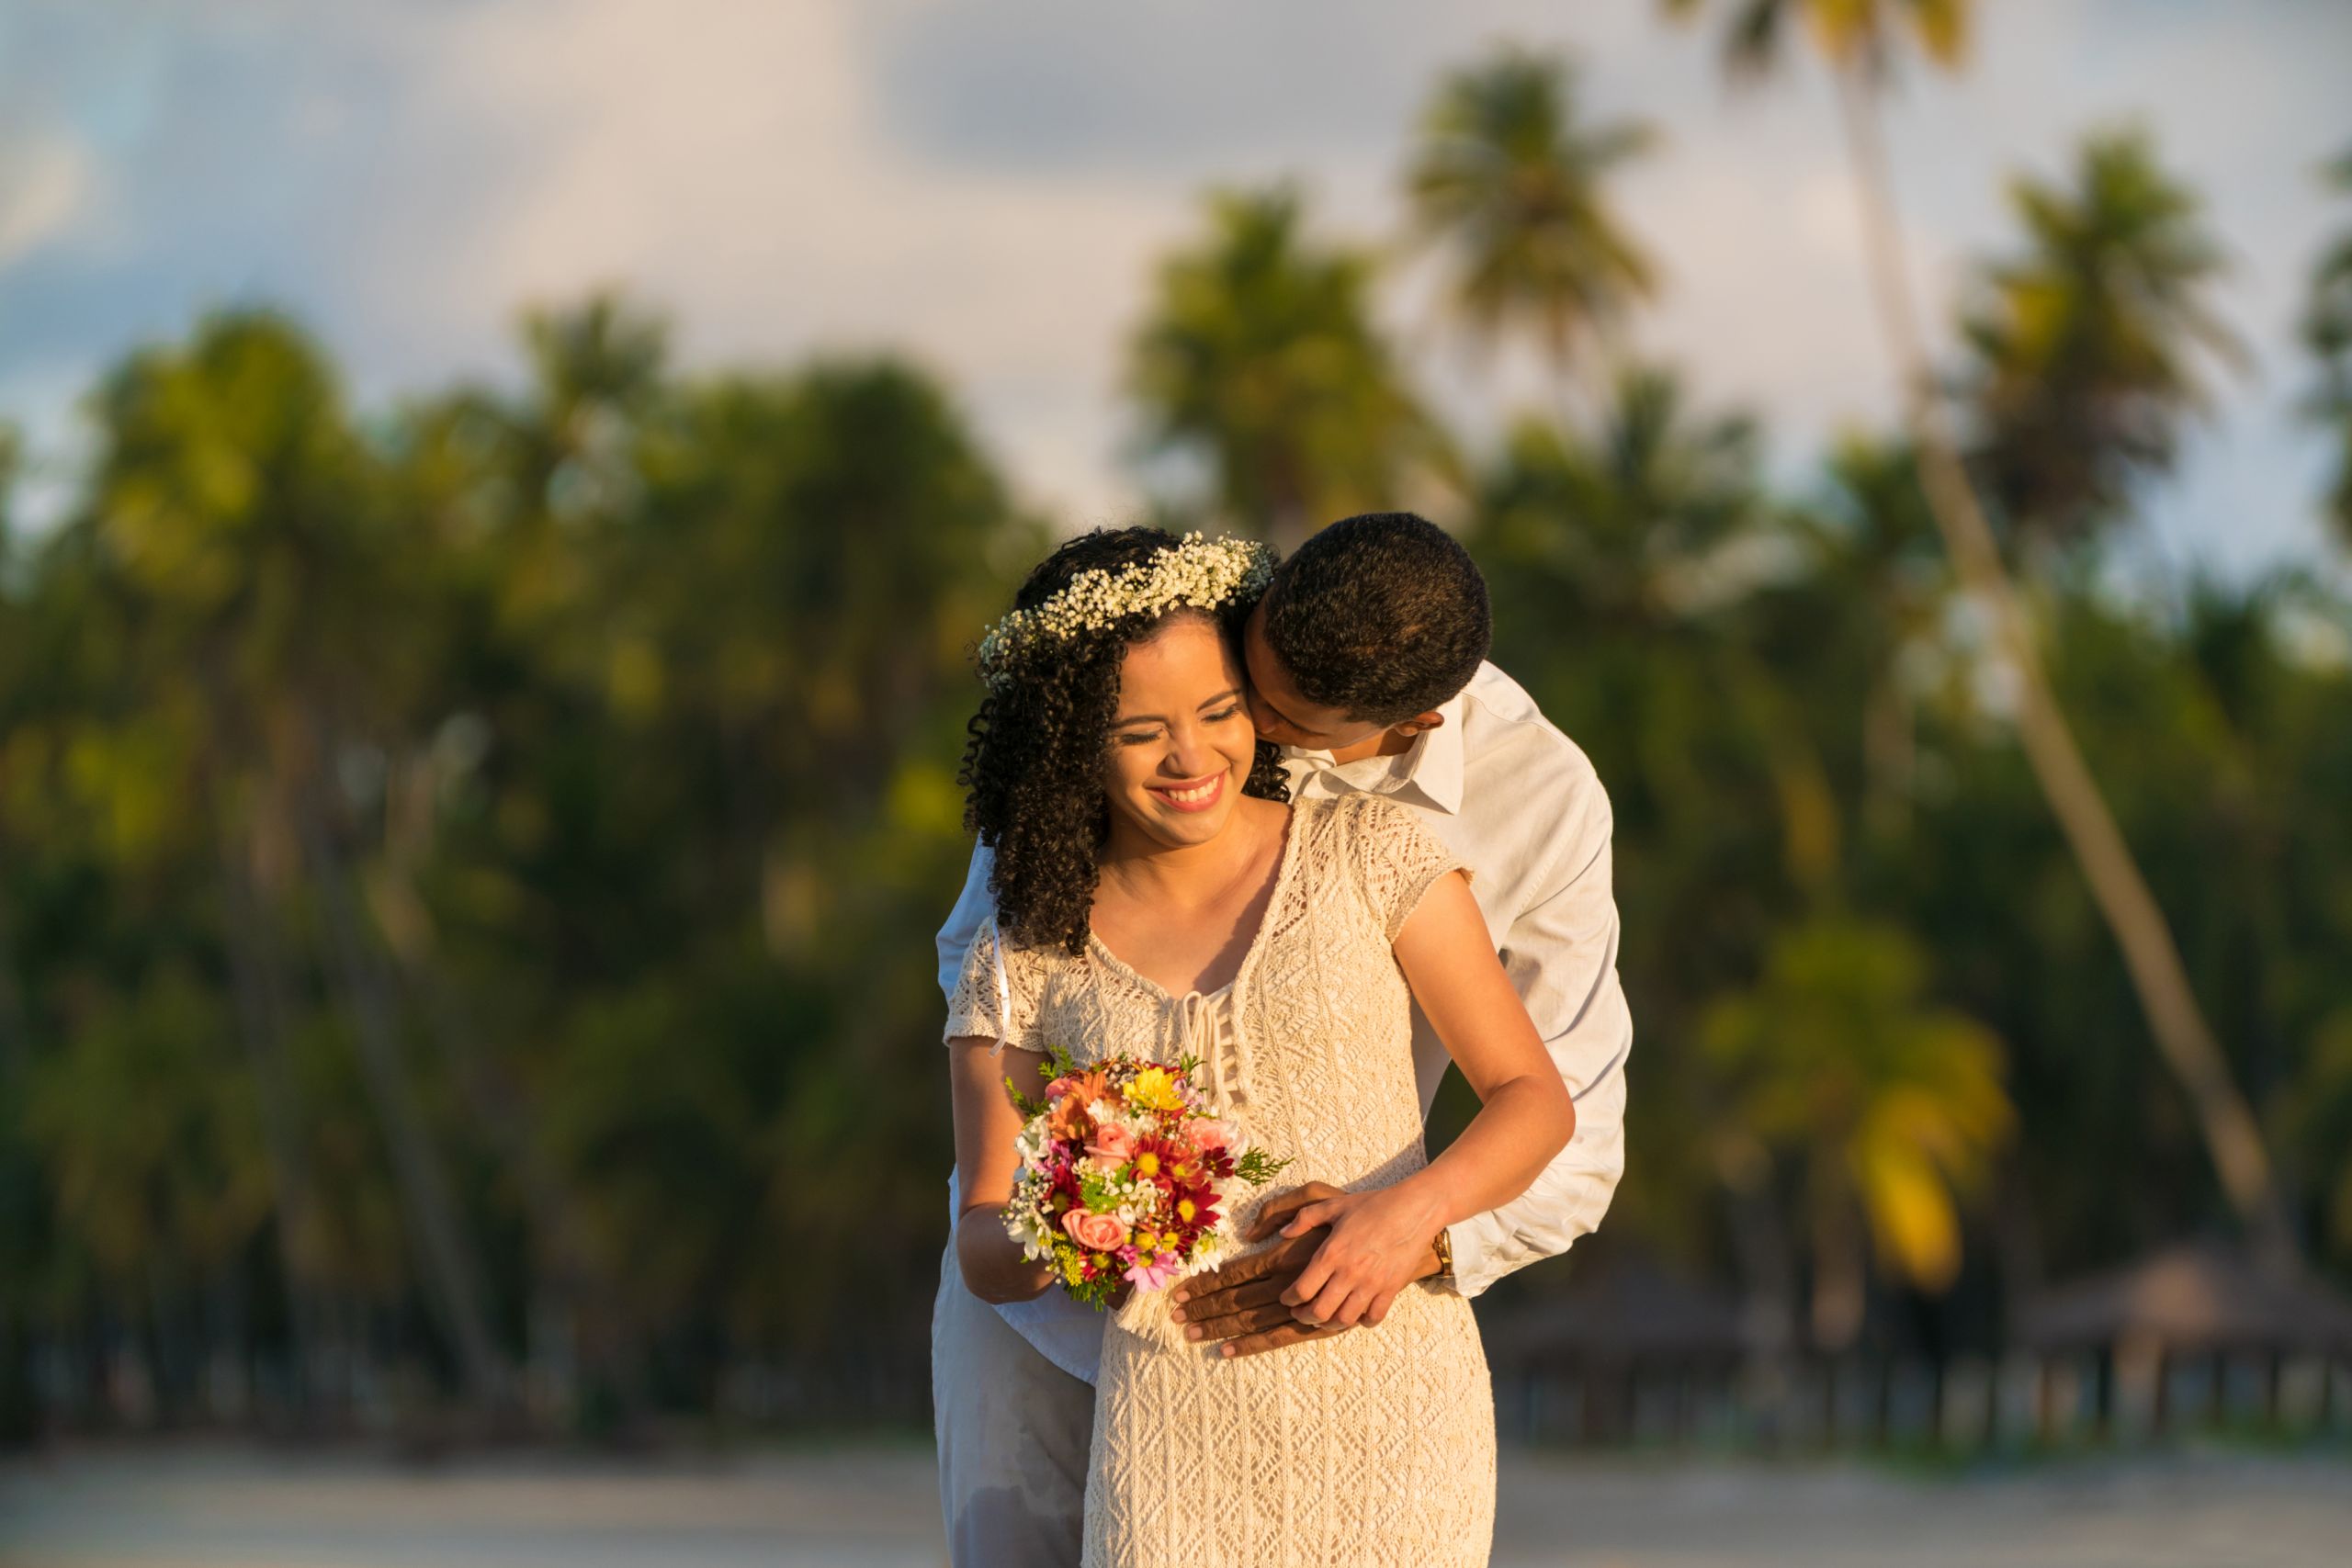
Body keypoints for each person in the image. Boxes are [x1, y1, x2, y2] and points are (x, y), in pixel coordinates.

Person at [933, 516, 1633, 1565]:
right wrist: (1080, 1206)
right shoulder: (1159, 662)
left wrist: (1405, 1230)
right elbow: (992, 977)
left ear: (1410, 724)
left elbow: (1563, 1115)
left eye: (1261, 713)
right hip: (1077, 1335)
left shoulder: (1523, 808)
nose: (1226, 733)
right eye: (1235, 675)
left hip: (1361, 1337)